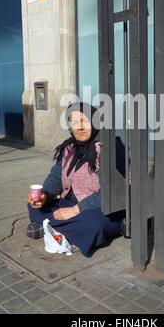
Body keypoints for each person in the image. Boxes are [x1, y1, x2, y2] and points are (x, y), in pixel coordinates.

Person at [26, 102, 126, 257]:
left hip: (103, 208)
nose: (79, 127)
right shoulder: (70, 147)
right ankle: (62, 230)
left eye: (84, 121)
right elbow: (56, 176)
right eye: (74, 123)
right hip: (74, 202)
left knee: (94, 225)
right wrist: (45, 195)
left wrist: (74, 211)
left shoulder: (111, 147)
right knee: (35, 205)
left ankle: (52, 227)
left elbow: (113, 190)